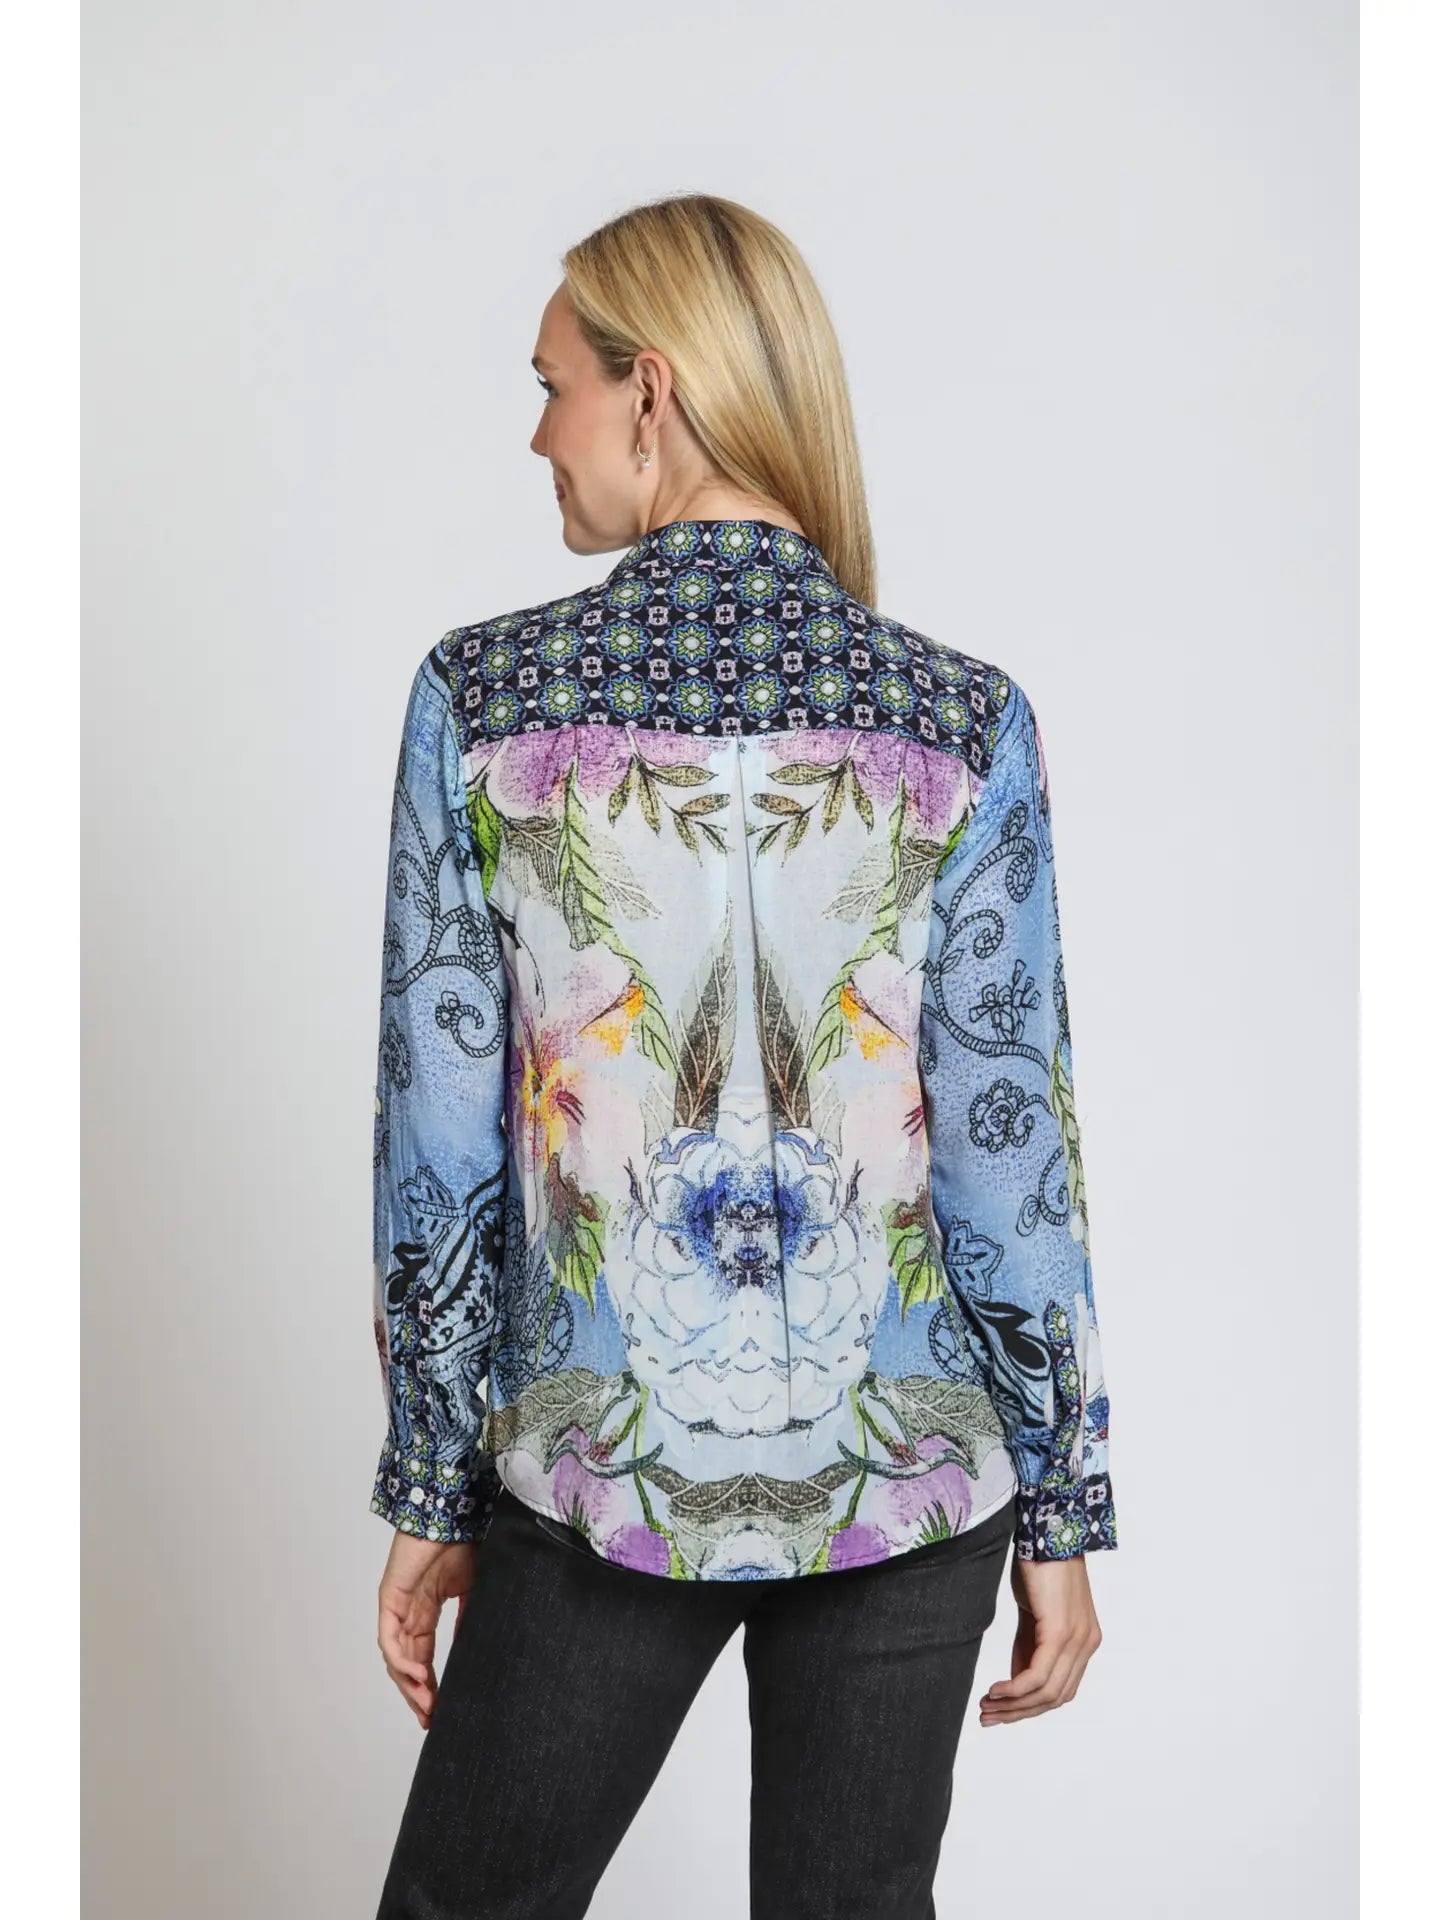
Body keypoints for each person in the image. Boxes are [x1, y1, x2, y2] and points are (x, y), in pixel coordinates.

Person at [368, 191, 1117, 1920]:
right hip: (918, 1471)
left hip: (595, 1462)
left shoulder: (484, 702)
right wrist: (1063, 1507)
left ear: (651, 388)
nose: (536, 433)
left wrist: (429, 1482)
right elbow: (1010, 1142)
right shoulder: (963, 718)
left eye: (550, 384)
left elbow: (441, 1146)